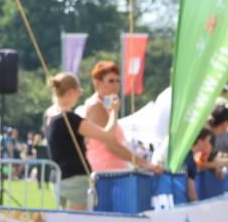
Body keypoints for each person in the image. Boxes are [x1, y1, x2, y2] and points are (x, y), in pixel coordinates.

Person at [44, 73, 161, 211]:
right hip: (75, 178)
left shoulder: (50, 116)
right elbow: (108, 135)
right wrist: (113, 112)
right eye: (78, 91)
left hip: (59, 178)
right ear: (70, 92)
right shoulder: (70, 118)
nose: (80, 95)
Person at [83, 61, 139, 172]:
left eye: (118, 81)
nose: (116, 85)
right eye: (111, 81)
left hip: (114, 171)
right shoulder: (96, 105)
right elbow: (111, 144)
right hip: (104, 172)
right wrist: (143, 163)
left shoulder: (107, 104)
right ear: (98, 83)